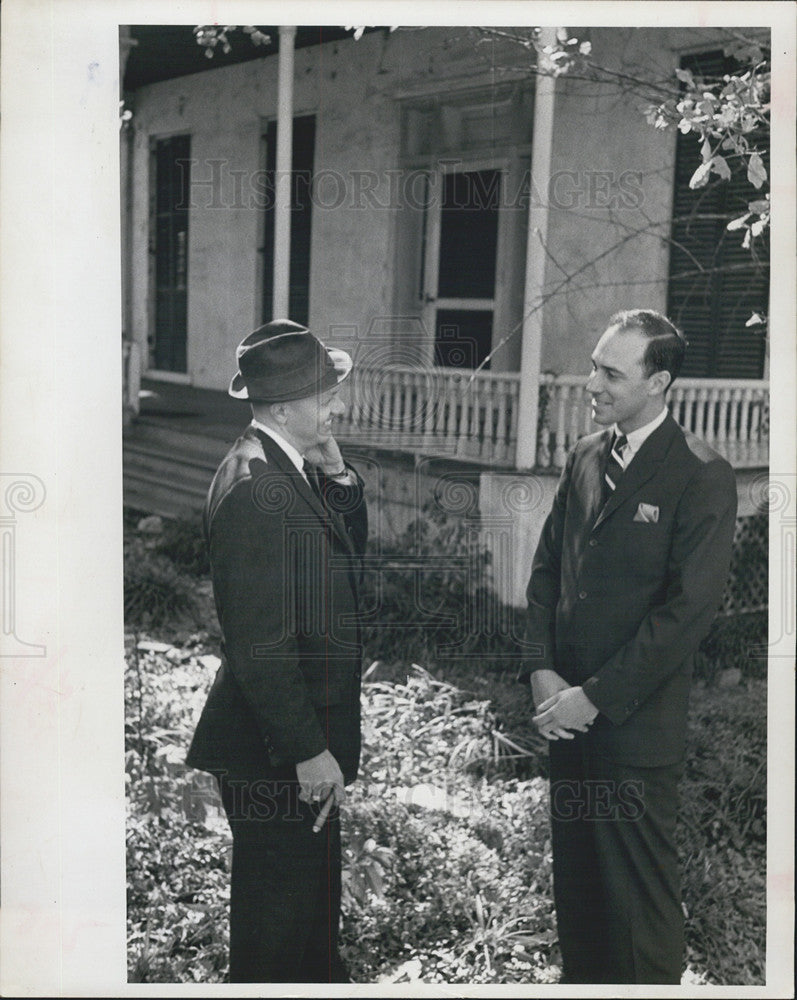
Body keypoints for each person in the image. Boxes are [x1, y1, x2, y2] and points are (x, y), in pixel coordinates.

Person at [521, 309, 737, 984]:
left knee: (638, 916)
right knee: (579, 906)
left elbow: (686, 614)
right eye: (593, 365)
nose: (592, 382)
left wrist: (597, 697)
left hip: (632, 736)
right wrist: (541, 669)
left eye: (610, 372)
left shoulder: (699, 474)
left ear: (659, 381)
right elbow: (547, 573)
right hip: (565, 723)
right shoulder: (585, 456)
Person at [186, 319, 367, 983]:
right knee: (274, 940)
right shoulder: (256, 490)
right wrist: (305, 750)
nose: (338, 407)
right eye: (327, 398)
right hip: (277, 756)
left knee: (306, 930)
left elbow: (348, 558)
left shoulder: (288, 467)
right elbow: (260, 643)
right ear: (285, 408)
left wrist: (338, 470)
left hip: (298, 748)